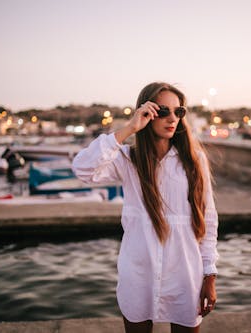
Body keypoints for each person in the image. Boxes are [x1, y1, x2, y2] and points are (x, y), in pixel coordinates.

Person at [72, 82, 219, 333]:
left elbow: (208, 219)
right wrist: (129, 128)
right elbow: (83, 168)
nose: (172, 118)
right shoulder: (128, 159)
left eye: (178, 111)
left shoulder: (194, 160)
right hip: (138, 274)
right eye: (163, 111)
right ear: (146, 113)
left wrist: (209, 276)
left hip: (185, 273)